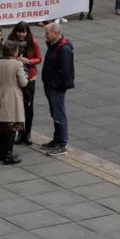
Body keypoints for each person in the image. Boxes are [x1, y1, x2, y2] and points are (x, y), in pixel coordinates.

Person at [0, 42, 27, 164]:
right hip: (13, 98)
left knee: (2, 127)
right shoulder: (18, 64)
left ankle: (2, 153)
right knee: (11, 128)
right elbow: (23, 83)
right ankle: (8, 155)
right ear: (15, 52)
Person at [41, 22, 75, 152]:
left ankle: (62, 143)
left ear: (55, 33)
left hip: (56, 87)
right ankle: (57, 139)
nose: (46, 36)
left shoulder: (63, 49)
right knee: (55, 113)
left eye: (47, 33)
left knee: (59, 114)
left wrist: (53, 84)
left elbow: (64, 71)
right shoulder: (55, 45)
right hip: (51, 85)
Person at [5, 22, 41, 145]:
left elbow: (39, 58)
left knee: (28, 105)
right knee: (17, 106)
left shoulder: (33, 42)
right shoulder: (10, 42)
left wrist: (29, 61)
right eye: (19, 31)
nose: (21, 34)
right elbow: (4, 56)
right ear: (15, 31)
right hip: (15, 77)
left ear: (27, 32)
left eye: (24, 32)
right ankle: (20, 132)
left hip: (30, 77)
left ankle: (28, 133)